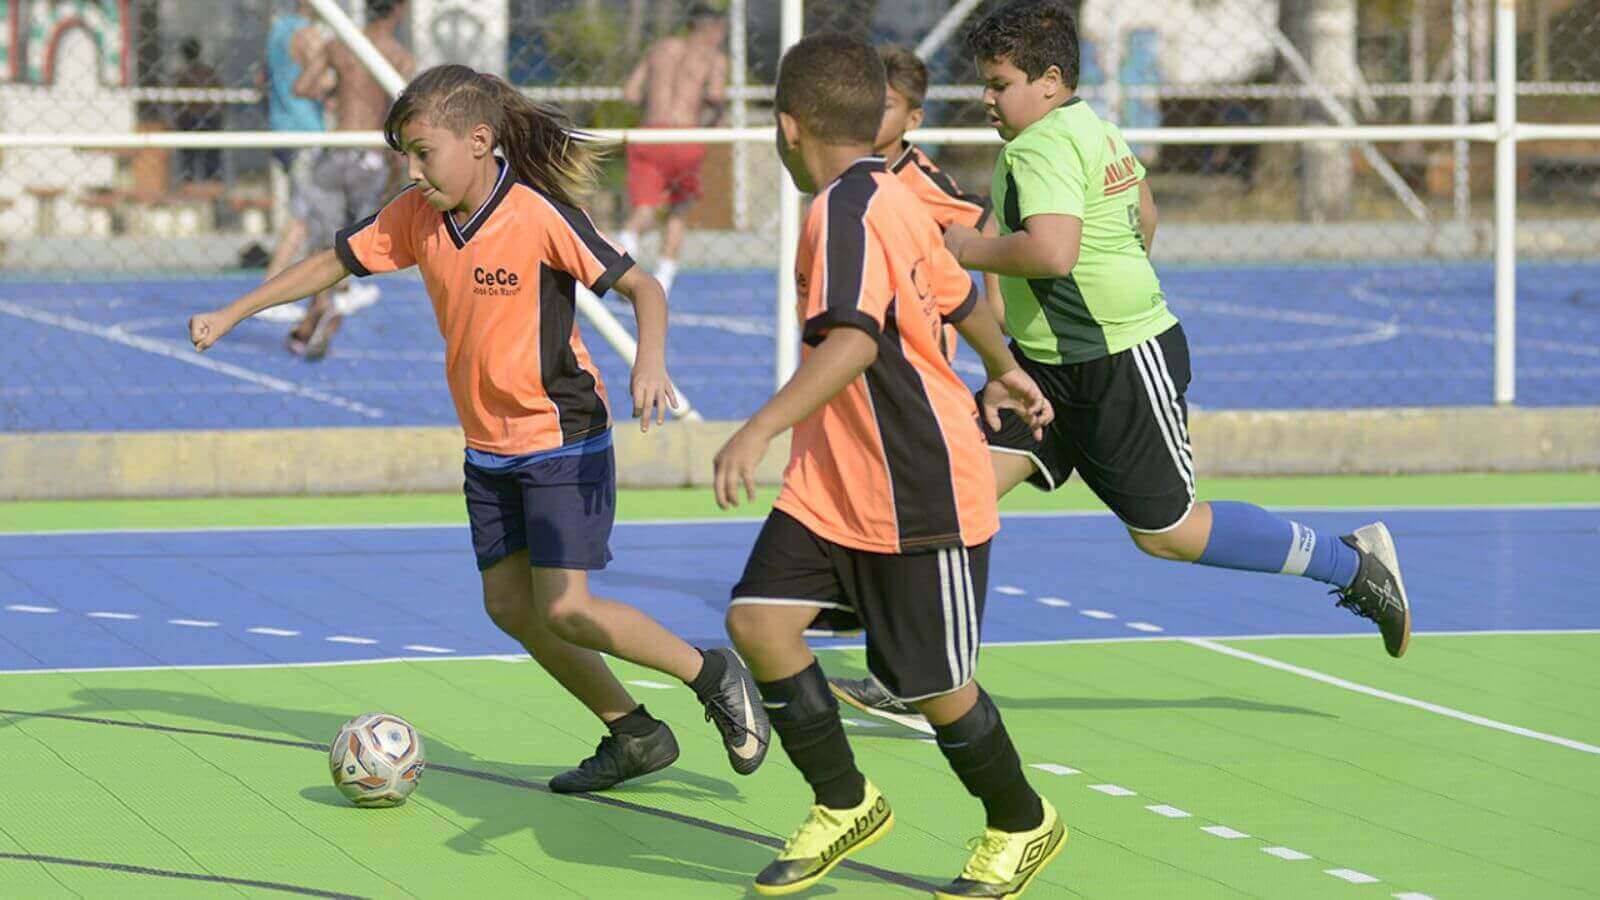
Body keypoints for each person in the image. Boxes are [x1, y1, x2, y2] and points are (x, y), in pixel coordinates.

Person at [831, 0, 1413, 729]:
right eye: (984, 84)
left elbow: (1050, 252)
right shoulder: (1090, 125)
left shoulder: (1039, 147)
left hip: (1118, 365)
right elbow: (1145, 212)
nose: (986, 98)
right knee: (959, 490)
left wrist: (966, 250)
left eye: (999, 83)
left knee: (1168, 532)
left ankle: (1351, 563)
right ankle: (924, 679)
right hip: (1049, 366)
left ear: (1048, 81)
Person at [188, 64, 769, 794]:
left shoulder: (535, 213)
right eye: (405, 153)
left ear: (480, 141)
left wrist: (649, 361)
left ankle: (710, 672)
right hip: (489, 448)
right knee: (510, 608)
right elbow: (329, 264)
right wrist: (236, 311)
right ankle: (636, 733)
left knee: (567, 606)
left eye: (422, 152)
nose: (412, 168)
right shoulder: (413, 216)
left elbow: (642, 286)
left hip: (562, 437)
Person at [712, 33, 1066, 898]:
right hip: (833, 485)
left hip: (918, 487)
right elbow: (955, 290)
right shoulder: (891, 191)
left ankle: (1023, 821)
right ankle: (846, 801)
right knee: (758, 624)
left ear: (788, 127)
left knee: (934, 687)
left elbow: (853, 344)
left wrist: (755, 429)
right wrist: (1004, 365)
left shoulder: (843, 210)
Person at [286, 0, 416, 359]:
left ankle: (320, 304)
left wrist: (337, 93)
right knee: (355, 240)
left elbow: (302, 85)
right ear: (398, 12)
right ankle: (333, 300)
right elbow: (402, 109)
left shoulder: (340, 44)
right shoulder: (399, 55)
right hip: (370, 154)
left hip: (338, 146)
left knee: (322, 238)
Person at [873, 45, 1005, 338]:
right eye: (864, 102)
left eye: (885, 107)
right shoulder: (853, 169)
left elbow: (985, 223)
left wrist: (996, 304)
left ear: (913, 120)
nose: (870, 114)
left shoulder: (918, 181)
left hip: (919, 338)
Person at [616, 2, 728, 297]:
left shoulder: (660, 49)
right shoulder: (713, 58)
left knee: (643, 210)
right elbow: (716, 97)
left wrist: (655, 104)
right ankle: (662, 281)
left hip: (650, 134)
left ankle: (623, 254)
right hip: (686, 136)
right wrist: (712, 121)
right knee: (679, 210)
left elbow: (630, 94)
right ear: (714, 30)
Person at [254, 1, 328, 324]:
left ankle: (320, 288)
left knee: (311, 214)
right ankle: (270, 293)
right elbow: (312, 84)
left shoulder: (277, 31)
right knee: (301, 216)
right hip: (304, 130)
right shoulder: (309, 35)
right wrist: (334, 82)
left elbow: (262, 77)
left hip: (281, 127)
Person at [173, 37, 224, 185]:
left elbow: (178, 104)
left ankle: (192, 187)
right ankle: (210, 187)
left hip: (192, 119)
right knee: (210, 162)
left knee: (190, 161)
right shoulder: (208, 72)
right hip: (207, 119)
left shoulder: (182, 76)